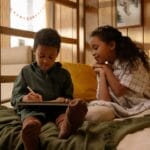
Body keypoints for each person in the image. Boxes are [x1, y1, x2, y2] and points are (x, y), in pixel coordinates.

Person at [11, 28, 87, 150]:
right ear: (34, 51)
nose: (46, 61)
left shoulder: (64, 74)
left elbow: (69, 97)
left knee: (63, 115)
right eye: (41, 56)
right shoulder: (26, 72)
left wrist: (64, 99)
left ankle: (65, 128)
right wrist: (26, 98)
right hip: (33, 109)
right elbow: (14, 98)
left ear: (57, 54)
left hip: (56, 109)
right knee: (30, 120)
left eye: (51, 57)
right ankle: (31, 136)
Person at [85, 25, 150, 122]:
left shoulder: (134, 62)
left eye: (96, 48)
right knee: (93, 113)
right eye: (92, 50)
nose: (93, 53)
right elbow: (104, 101)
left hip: (142, 106)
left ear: (111, 45)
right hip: (118, 109)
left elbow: (119, 91)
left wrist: (107, 70)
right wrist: (102, 74)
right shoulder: (104, 67)